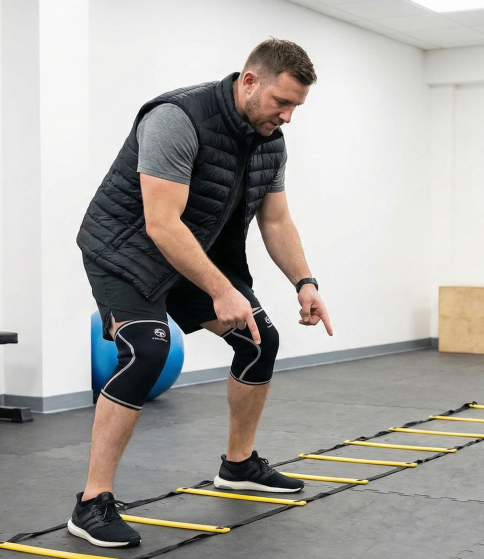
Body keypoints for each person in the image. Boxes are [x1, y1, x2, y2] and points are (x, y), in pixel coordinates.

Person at [72, 38, 333, 548]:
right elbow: (161, 222)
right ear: (250, 80)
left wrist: (305, 282)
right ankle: (91, 502)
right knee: (147, 350)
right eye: (282, 102)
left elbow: (275, 220)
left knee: (261, 340)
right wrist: (220, 290)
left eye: (297, 106)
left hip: (192, 251)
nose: (288, 115)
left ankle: (238, 466)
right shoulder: (177, 118)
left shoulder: (270, 140)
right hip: (124, 250)